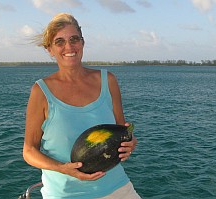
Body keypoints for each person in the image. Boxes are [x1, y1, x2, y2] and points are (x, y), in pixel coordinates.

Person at [22, 13, 141, 199]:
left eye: (74, 39)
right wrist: (63, 168)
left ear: (82, 43)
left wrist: (130, 142)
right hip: (65, 194)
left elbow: (121, 131)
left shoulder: (108, 81)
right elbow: (29, 151)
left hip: (117, 188)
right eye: (59, 41)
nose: (68, 47)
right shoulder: (41, 92)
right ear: (50, 49)